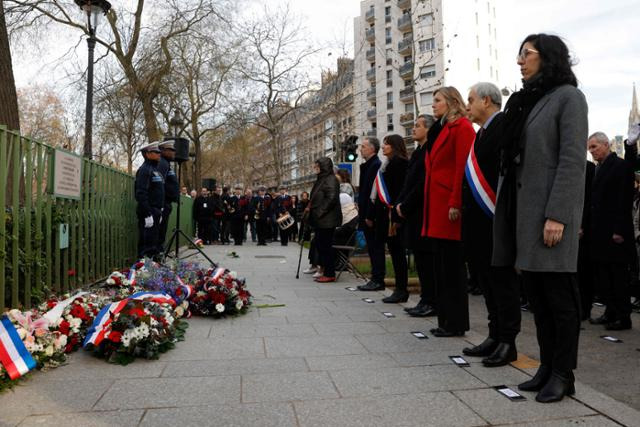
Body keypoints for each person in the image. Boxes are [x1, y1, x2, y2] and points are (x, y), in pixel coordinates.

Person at [492, 34, 588, 403]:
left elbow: (571, 161)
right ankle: (547, 367)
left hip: (549, 216)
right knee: (538, 299)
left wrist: (558, 215)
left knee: (560, 301)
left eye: (526, 54)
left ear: (547, 58)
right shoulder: (530, 102)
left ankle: (564, 373)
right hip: (524, 214)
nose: (520, 61)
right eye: (519, 55)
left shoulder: (568, 98)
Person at [461, 82, 521, 367]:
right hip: (477, 223)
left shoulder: (504, 126)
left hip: (496, 220)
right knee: (486, 281)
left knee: (502, 283)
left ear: (487, 100)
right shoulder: (479, 134)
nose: (467, 105)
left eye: (471, 99)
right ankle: (494, 335)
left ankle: (508, 341)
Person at [419, 86, 475, 337]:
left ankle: (455, 322)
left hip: (449, 205)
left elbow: (462, 168)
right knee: (441, 265)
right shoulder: (441, 128)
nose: (434, 105)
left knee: (452, 267)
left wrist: (455, 201)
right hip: (436, 204)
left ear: (452, 101)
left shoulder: (461, 127)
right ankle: (445, 320)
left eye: (438, 100)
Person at [587, 132, 634, 330]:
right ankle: (610, 312)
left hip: (615, 233)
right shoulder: (599, 168)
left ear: (607, 145)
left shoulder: (620, 166)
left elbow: (624, 199)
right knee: (604, 278)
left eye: (594, 147)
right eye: (589, 149)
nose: (591, 152)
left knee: (618, 278)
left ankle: (623, 317)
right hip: (599, 233)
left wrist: (619, 230)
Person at [396, 114, 437, 317]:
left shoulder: (429, 151)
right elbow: (408, 182)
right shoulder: (417, 152)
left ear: (429, 129)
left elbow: (422, 183)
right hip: (411, 211)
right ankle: (425, 298)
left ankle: (431, 300)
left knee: (426, 260)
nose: (413, 129)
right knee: (420, 259)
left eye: (418, 126)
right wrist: (401, 203)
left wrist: (407, 204)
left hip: (422, 211)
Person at [365, 134, 409, 303]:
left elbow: (400, 191)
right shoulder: (386, 165)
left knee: (398, 254)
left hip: (394, 216)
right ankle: (399, 288)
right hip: (385, 215)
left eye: (386, 144)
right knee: (394, 251)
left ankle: (401, 289)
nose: (383, 147)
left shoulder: (400, 164)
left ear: (395, 146)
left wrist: (397, 217)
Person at [356, 137, 386, 292]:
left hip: (372, 215)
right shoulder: (368, 165)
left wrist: (369, 215)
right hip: (366, 212)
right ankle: (375, 278)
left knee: (376, 247)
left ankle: (378, 279)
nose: (361, 149)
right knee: (372, 248)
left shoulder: (375, 166)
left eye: (364, 146)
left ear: (372, 149)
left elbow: (373, 193)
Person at [307, 157, 342, 283]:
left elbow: (331, 198)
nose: (314, 168)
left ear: (323, 166)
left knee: (325, 246)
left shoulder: (331, 179)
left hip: (327, 219)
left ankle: (330, 273)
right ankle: (326, 271)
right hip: (321, 219)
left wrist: (319, 212)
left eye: (317, 166)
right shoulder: (322, 179)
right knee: (321, 245)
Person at [134, 141, 165, 259]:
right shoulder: (145, 170)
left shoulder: (154, 170)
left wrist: (160, 210)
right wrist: (147, 213)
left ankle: (152, 270)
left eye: (159, 152)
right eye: (156, 152)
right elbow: (141, 193)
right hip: (148, 211)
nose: (159, 154)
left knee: (153, 243)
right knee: (146, 244)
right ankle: (143, 270)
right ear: (147, 154)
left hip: (156, 210)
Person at [157, 140, 179, 251]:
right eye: (171, 150)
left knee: (162, 231)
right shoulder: (162, 163)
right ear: (163, 150)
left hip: (166, 202)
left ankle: (159, 255)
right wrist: (161, 204)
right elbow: (159, 184)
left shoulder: (166, 163)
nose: (174, 152)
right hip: (163, 203)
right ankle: (157, 257)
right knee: (159, 232)